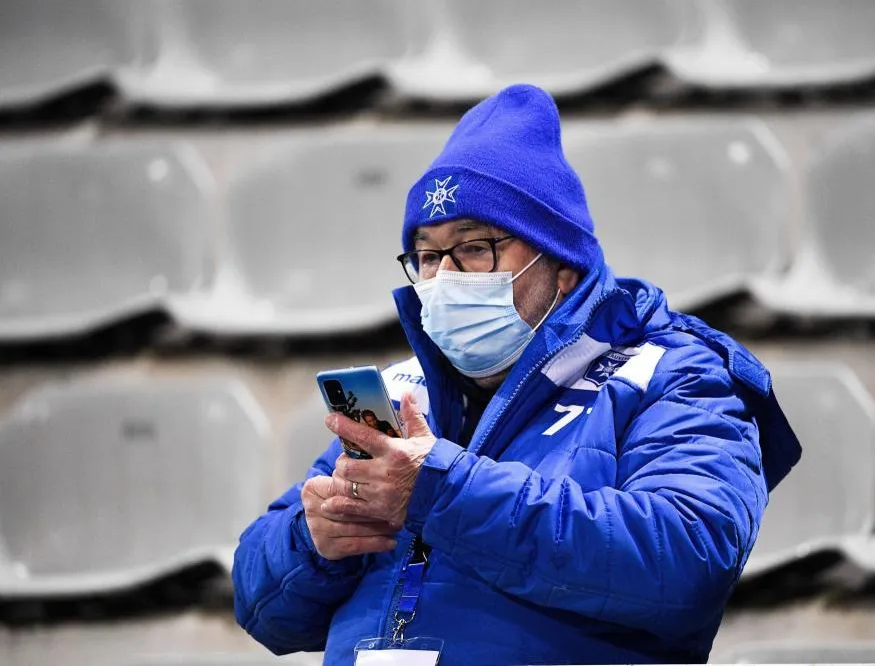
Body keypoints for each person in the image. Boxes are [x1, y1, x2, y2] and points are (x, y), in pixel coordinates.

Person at [233, 84, 801, 665]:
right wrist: (313, 543)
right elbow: (262, 608)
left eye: (474, 247)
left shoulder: (673, 372)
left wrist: (439, 490)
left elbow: (686, 561)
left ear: (561, 268)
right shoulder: (402, 393)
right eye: (427, 256)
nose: (444, 278)